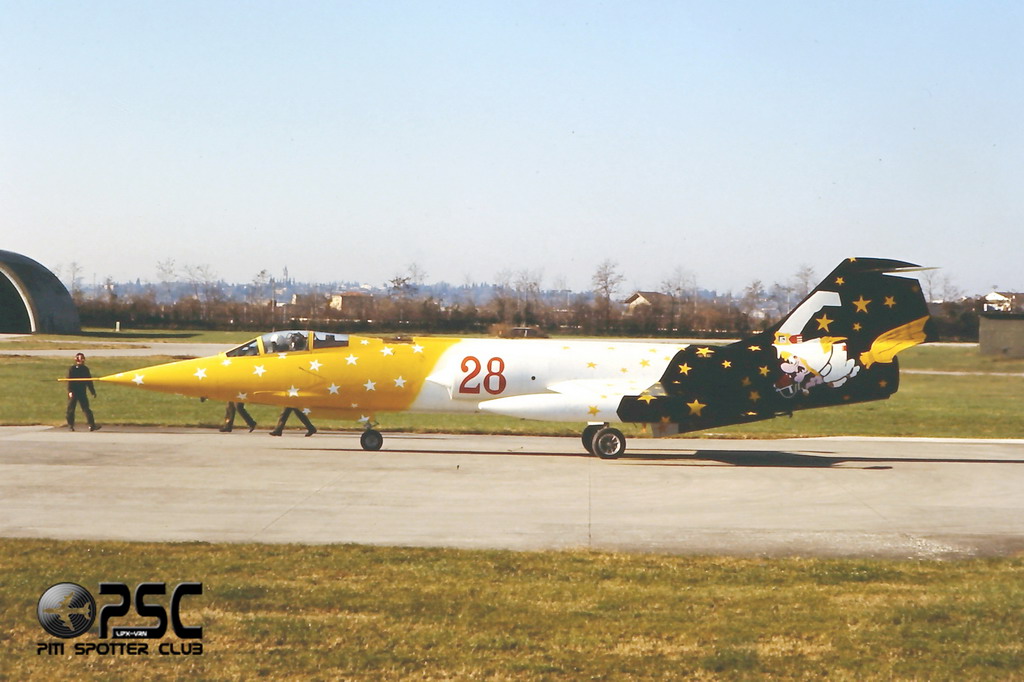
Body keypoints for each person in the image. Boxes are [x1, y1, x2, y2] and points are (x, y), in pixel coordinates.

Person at [65, 352, 100, 432]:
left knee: (86, 409)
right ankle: (70, 425)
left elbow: (89, 381)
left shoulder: (85, 369)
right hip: (74, 391)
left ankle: (91, 425)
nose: (82, 360)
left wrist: (92, 391)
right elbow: (69, 381)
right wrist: (70, 391)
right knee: (71, 409)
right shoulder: (72, 369)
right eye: (80, 358)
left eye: (83, 358)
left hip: (82, 392)